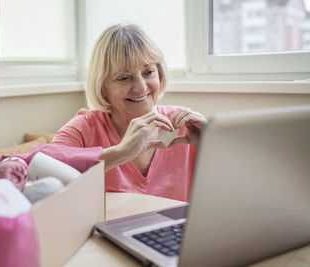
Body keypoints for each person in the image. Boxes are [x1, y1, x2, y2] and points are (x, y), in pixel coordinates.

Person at [51, 24, 207, 201]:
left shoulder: (184, 124)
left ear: (160, 74)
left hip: (174, 229)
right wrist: (120, 153)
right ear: (103, 88)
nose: (141, 87)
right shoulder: (85, 127)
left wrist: (214, 146)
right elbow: (39, 167)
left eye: (149, 72)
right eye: (124, 78)